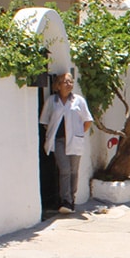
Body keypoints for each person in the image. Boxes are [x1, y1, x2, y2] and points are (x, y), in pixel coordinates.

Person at [39, 72, 93, 213]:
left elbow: (87, 121)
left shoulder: (78, 100)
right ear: (57, 85)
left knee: (74, 171)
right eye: (65, 82)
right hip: (58, 141)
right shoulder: (52, 101)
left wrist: (78, 134)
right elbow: (45, 121)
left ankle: (71, 199)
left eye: (70, 81)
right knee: (65, 169)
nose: (68, 84)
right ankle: (66, 201)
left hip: (75, 140)